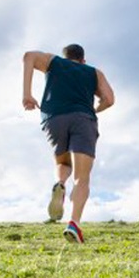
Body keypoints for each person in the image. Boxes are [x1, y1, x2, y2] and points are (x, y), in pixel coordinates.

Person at [23, 44, 114, 243]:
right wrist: (96, 109)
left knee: (63, 163)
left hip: (54, 119)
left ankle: (60, 183)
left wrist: (27, 94)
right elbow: (109, 99)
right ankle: (74, 223)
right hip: (83, 119)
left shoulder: (54, 62)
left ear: (66, 56)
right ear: (83, 60)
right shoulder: (93, 72)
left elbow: (28, 56)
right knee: (82, 178)